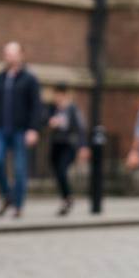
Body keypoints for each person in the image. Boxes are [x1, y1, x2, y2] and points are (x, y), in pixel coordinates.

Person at [0, 42, 42, 217]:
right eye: (7, 55)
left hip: (21, 130)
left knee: (19, 169)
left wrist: (33, 129)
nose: (10, 58)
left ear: (21, 56)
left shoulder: (30, 79)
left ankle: (18, 205)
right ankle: (7, 194)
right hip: (0, 129)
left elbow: (36, 106)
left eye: (13, 54)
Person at [47, 84, 89, 215]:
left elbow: (80, 128)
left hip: (68, 145)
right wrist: (49, 121)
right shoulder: (52, 109)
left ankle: (67, 198)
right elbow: (42, 118)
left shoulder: (72, 110)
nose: (56, 97)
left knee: (62, 169)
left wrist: (83, 146)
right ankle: (66, 197)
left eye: (58, 95)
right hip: (56, 144)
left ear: (64, 95)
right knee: (57, 171)